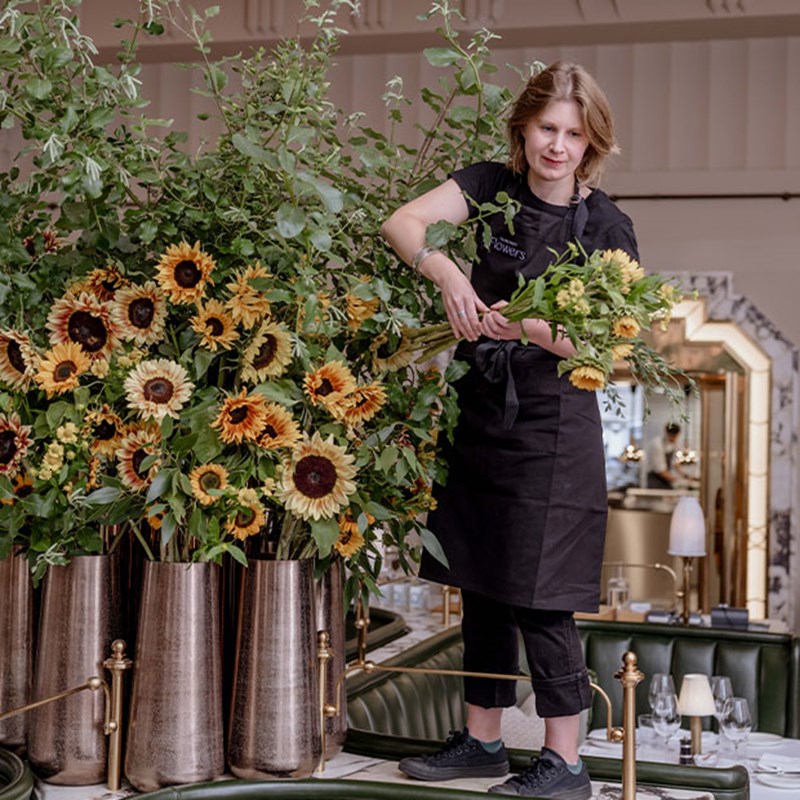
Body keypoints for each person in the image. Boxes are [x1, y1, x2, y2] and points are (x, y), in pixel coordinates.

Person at [380, 61, 638, 799]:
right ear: (522, 129)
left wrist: (523, 324)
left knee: (540, 594)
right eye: (545, 129)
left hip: (554, 430)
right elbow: (401, 222)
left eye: (572, 134)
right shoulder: (490, 187)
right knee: (482, 579)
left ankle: (565, 763)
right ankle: (484, 741)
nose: (556, 146)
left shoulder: (606, 225)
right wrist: (450, 276)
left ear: (591, 142)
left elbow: (607, 346)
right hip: (481, 408)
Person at [645, 422, 684, 489]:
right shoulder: (657, 445)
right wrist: (680, 481)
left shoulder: (672, 445)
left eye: (676, 436)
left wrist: (685, 475)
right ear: (667, 434)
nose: (675, 439)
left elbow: (675, 463)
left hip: (665, 480)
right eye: (673, 436)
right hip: (655, 480)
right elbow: (660, 471)